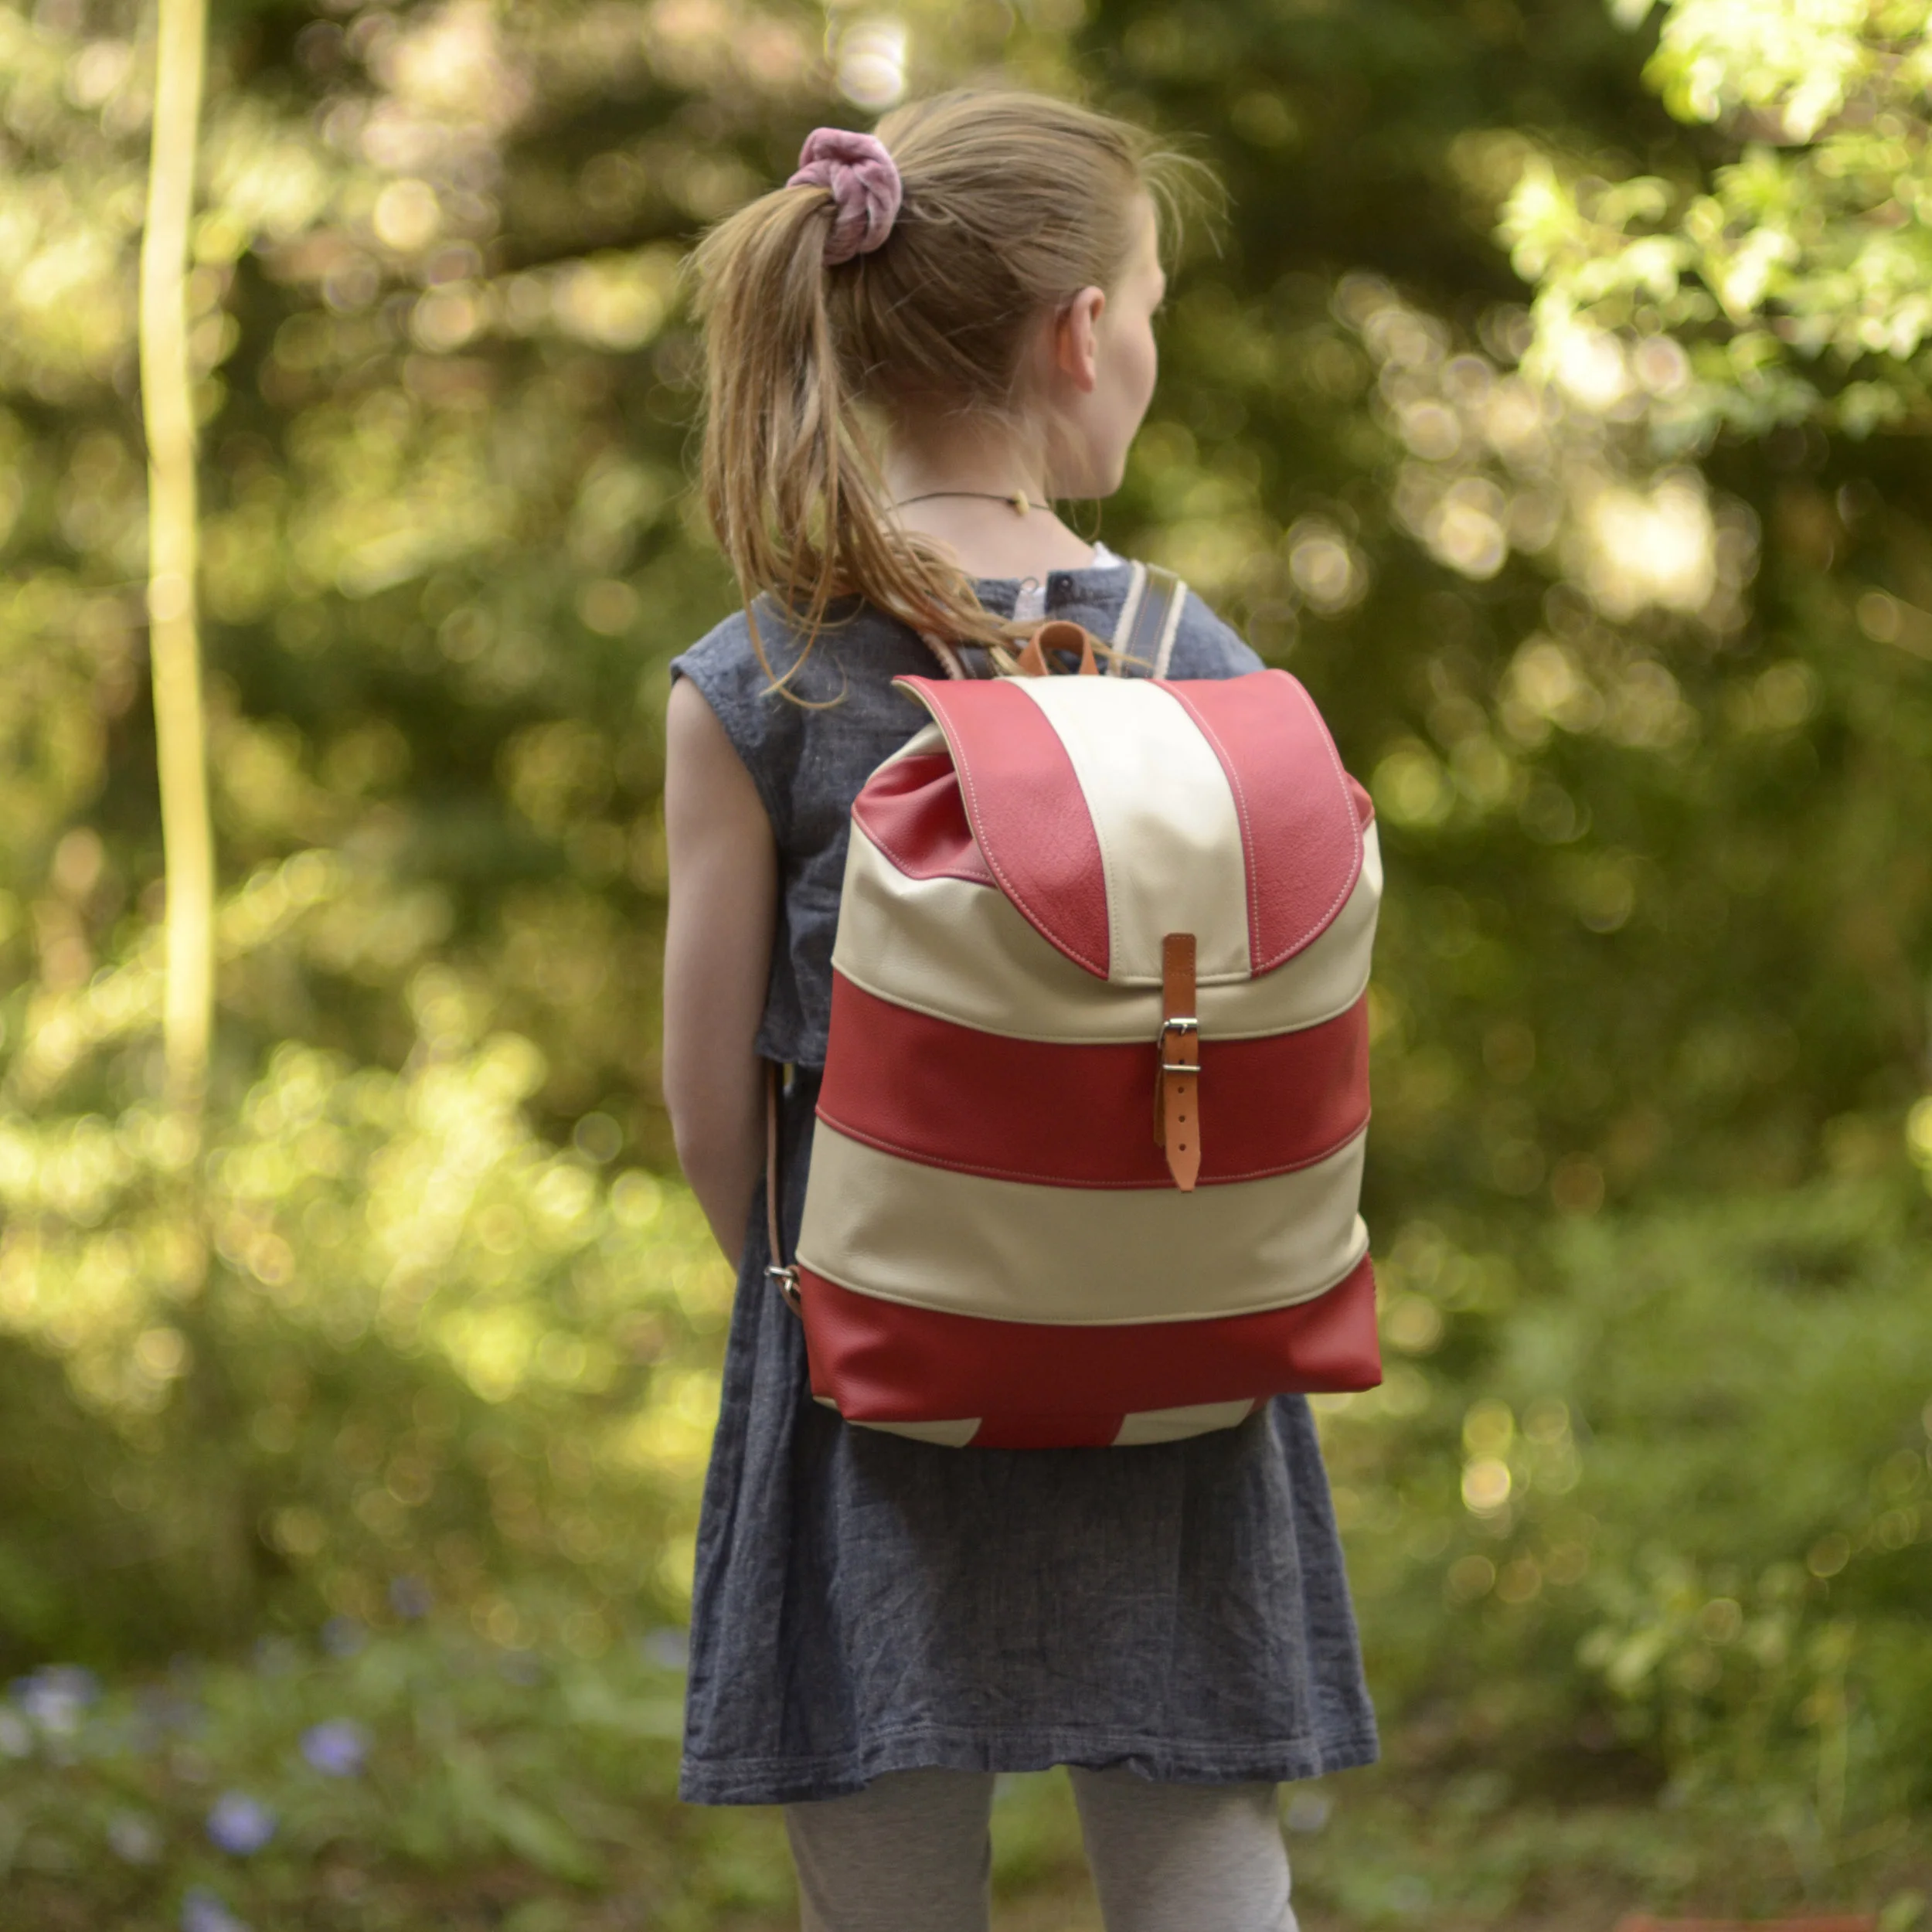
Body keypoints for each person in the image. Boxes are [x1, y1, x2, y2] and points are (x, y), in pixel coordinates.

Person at [661, 89, 1376, 1932]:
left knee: (885, 1870)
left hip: (876, 1362)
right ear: (1079, 332)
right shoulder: (1187, 654)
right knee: (1204, 1852)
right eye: (1149, 301)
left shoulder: (758, 676)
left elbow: (701, 1093)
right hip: (1177, 1347)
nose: (1147, 341)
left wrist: (825, 1299)